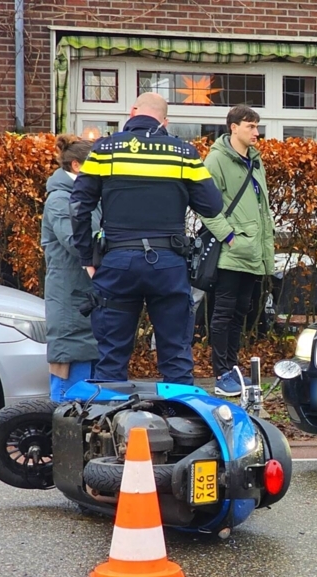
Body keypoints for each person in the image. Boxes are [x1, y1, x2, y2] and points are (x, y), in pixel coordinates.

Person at [69, 92, 223, 385]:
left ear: (132, 111)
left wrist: (87, 256)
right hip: (168, 264)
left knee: (111, 357)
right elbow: (213, 206)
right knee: (176, 355)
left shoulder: (104, 150)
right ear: (165, 121)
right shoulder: (183, 153)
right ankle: (181, 424)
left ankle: (109, 426)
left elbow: (78, 207)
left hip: (117, 262)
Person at [199, 104, 275, 397]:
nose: (256, 132)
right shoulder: (216, 160)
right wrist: (229, 236)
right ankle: (221, 372)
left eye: (257, 126)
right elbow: (206, 205)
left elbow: (261, 208)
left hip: (253, 251)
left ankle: (232, 367)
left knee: (241, 312)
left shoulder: (255, 160)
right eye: (250, 126)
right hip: (232, 252)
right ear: (233, 127)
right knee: (224, 312)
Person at [41, 134, 100, 400]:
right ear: (76, 166)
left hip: (83, 297)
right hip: (71, 299)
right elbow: (77, 242)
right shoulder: (60, 199)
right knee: (68, 389)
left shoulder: (83, 196)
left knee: (85, 387)